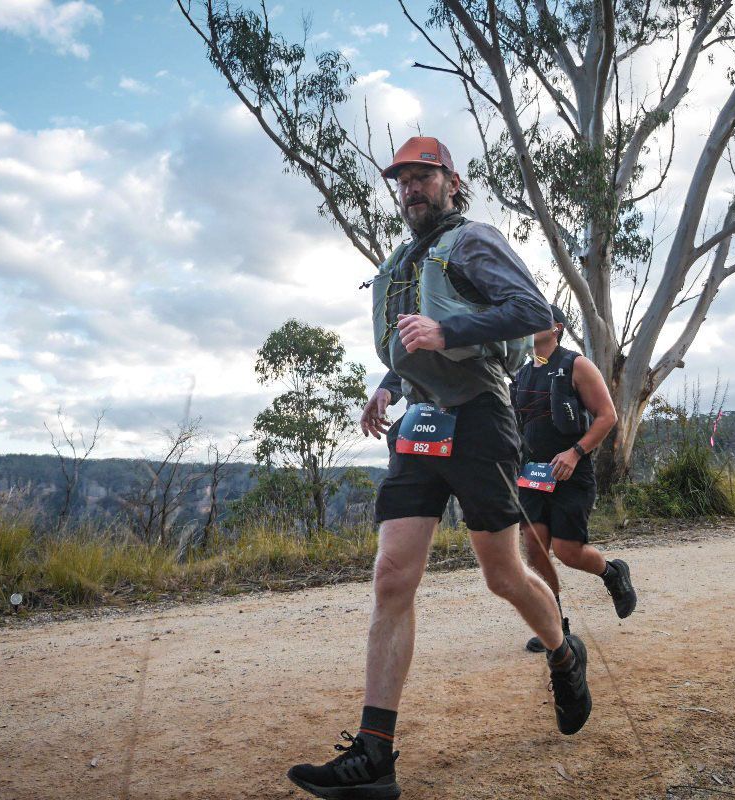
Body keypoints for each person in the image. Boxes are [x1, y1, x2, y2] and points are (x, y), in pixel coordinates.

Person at [286, 137, 592, 800]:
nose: (411, 188)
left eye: (423, 176)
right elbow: (410, 345)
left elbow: (532, 311)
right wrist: (386, 388)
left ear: (452, 182)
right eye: (402, 180)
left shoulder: (473, 241)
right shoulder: (404, 262)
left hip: (481, 418)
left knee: (503, 576)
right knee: (392, 575)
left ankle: (565, 654)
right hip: (422, 422)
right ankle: (375, 755)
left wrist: (446, 334)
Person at [514, 305, 637, 653]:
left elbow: (607, 415)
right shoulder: (522, 374)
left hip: (572, 471)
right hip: (533, 474)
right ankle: (554, 626)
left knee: (568, 552)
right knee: (534, 547)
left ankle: (612, 573)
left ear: (556, 327)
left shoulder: (576, 365)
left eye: (537, 318)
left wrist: (575, 452)